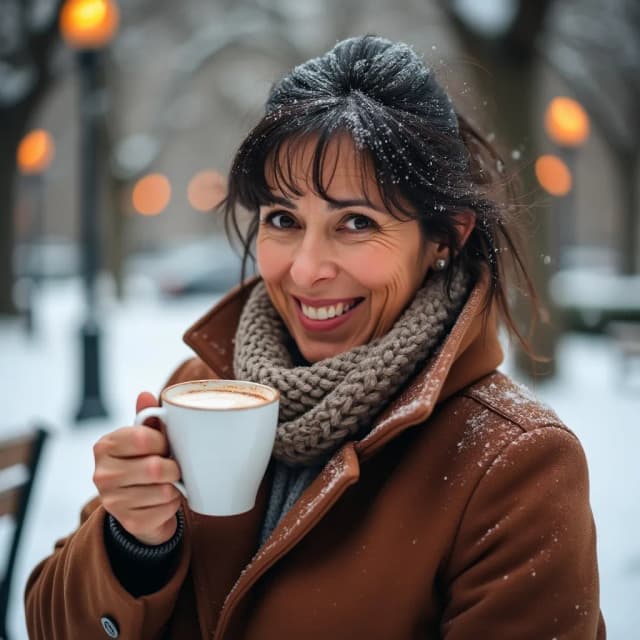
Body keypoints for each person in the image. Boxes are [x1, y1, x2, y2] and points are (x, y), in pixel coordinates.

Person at [25, 35, 604, 639]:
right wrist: (131, 546)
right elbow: (49, 624)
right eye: (283, 220)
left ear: (446, 238)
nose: (305, 270)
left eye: (356, 223)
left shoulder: (515, 464)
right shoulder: (201, 390)